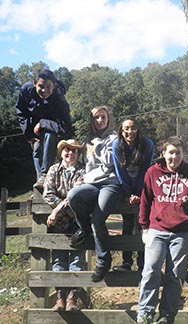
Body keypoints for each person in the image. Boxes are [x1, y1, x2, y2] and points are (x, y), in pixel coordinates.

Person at [137, 136, 188, 324]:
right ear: (163, 154)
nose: (174, 157)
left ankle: (167, 316)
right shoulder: (152, 172)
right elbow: (145, 200)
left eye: (178, 153)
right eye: (170, 153)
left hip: (183, 232)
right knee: (150, 271)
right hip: (157, 230)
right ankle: (145, 315)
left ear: (183, 154)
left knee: (175, 276)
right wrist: (144, 227)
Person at [67, 106, 122, 282]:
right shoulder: (88, 140)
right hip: (92, 183)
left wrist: (98, 145)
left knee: (98, 219)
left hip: (110, 184)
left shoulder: (114, 138)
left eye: (103, 117)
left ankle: (103, 260)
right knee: (73, 195)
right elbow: (88, 165)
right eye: (97, 118)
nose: (100, 121)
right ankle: (84, 229)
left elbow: (109, 161)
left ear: (108, 119)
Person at [42, 139, 86, 312]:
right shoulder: (53, 170)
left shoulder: (83, 171)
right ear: (61, 152)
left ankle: (72, 299)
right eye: (67, 150)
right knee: (58, 259)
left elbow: (78, 196)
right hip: (58, 225)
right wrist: (63, 210)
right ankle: (60, 297)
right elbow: (48, 194)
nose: (70, 153)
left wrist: (56, 212)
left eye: (74, 151)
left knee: (77, 260)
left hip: (77, 223)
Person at [16, 68, 72, 189]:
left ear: (54, 86)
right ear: (34, 84)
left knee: (49, 136)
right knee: (37, 148)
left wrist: (43, 123)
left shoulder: (59, 98)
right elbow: (21, 111)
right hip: (33, 126)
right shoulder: (26, 90)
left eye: (48, 87)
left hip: (53, 127)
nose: (44, 90)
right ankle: (41, 181)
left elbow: (66, 126)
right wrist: (29, 135)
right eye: (41, 86)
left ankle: (45, 173)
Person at [112, 118, 154, 272]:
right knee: (127, 224)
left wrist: (138, 193)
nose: (130, 132)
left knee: (143, 225)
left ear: (138, 129)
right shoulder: (116, 145)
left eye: (133, 128)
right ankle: (127, 262)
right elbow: (120, 172)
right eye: (126, 129)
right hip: (126, 189)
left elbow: (145, 170)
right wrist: (129, 193)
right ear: (121, 131)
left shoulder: (147, 145)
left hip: (142, 189)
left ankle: (143, 262)